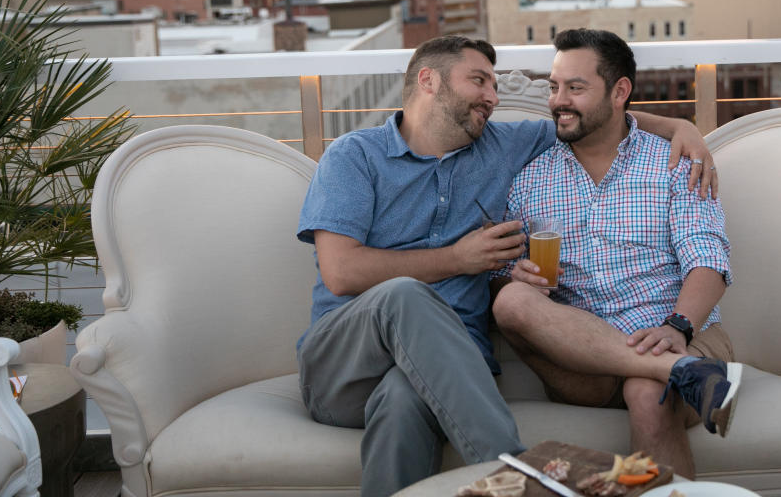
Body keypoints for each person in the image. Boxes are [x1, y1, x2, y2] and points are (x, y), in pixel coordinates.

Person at [295, 34, 719, 497]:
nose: (493, 98)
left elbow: (594, 120)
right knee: (405, 295)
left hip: (447, 374)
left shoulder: (502, 147)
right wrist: (457, 259)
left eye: (495, 86)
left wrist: (679, 125)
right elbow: (340, 272)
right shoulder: (354, 155)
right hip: (345, 367)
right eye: (479, 81)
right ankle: (518, 471)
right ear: (428, 80)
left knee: (403, 397)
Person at [491, 29, 741, 479]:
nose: (558, 101)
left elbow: (708, 259)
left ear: (620, 91)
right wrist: (517, 275)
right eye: (554, 86)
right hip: (582, 362)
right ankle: (683, 372)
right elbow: (504, 274)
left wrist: (678, 326)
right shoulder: (531, 177)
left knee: (647, 391)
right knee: (510, 300)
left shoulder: (674, 162)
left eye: (575, 87)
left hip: (678, 333)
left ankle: (676, 368)